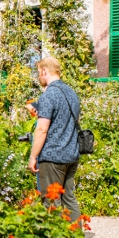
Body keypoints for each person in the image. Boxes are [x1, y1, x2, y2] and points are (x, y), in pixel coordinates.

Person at [26, 57, 82, 222]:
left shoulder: (49, 95)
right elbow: (75, 122)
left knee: (51, 201)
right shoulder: (72, 93)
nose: (39, 77)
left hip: (53, 157)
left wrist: (33, 156)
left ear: (44, 71)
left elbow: (42, 129)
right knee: (69, 199)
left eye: (39, 73)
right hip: (71, 155)